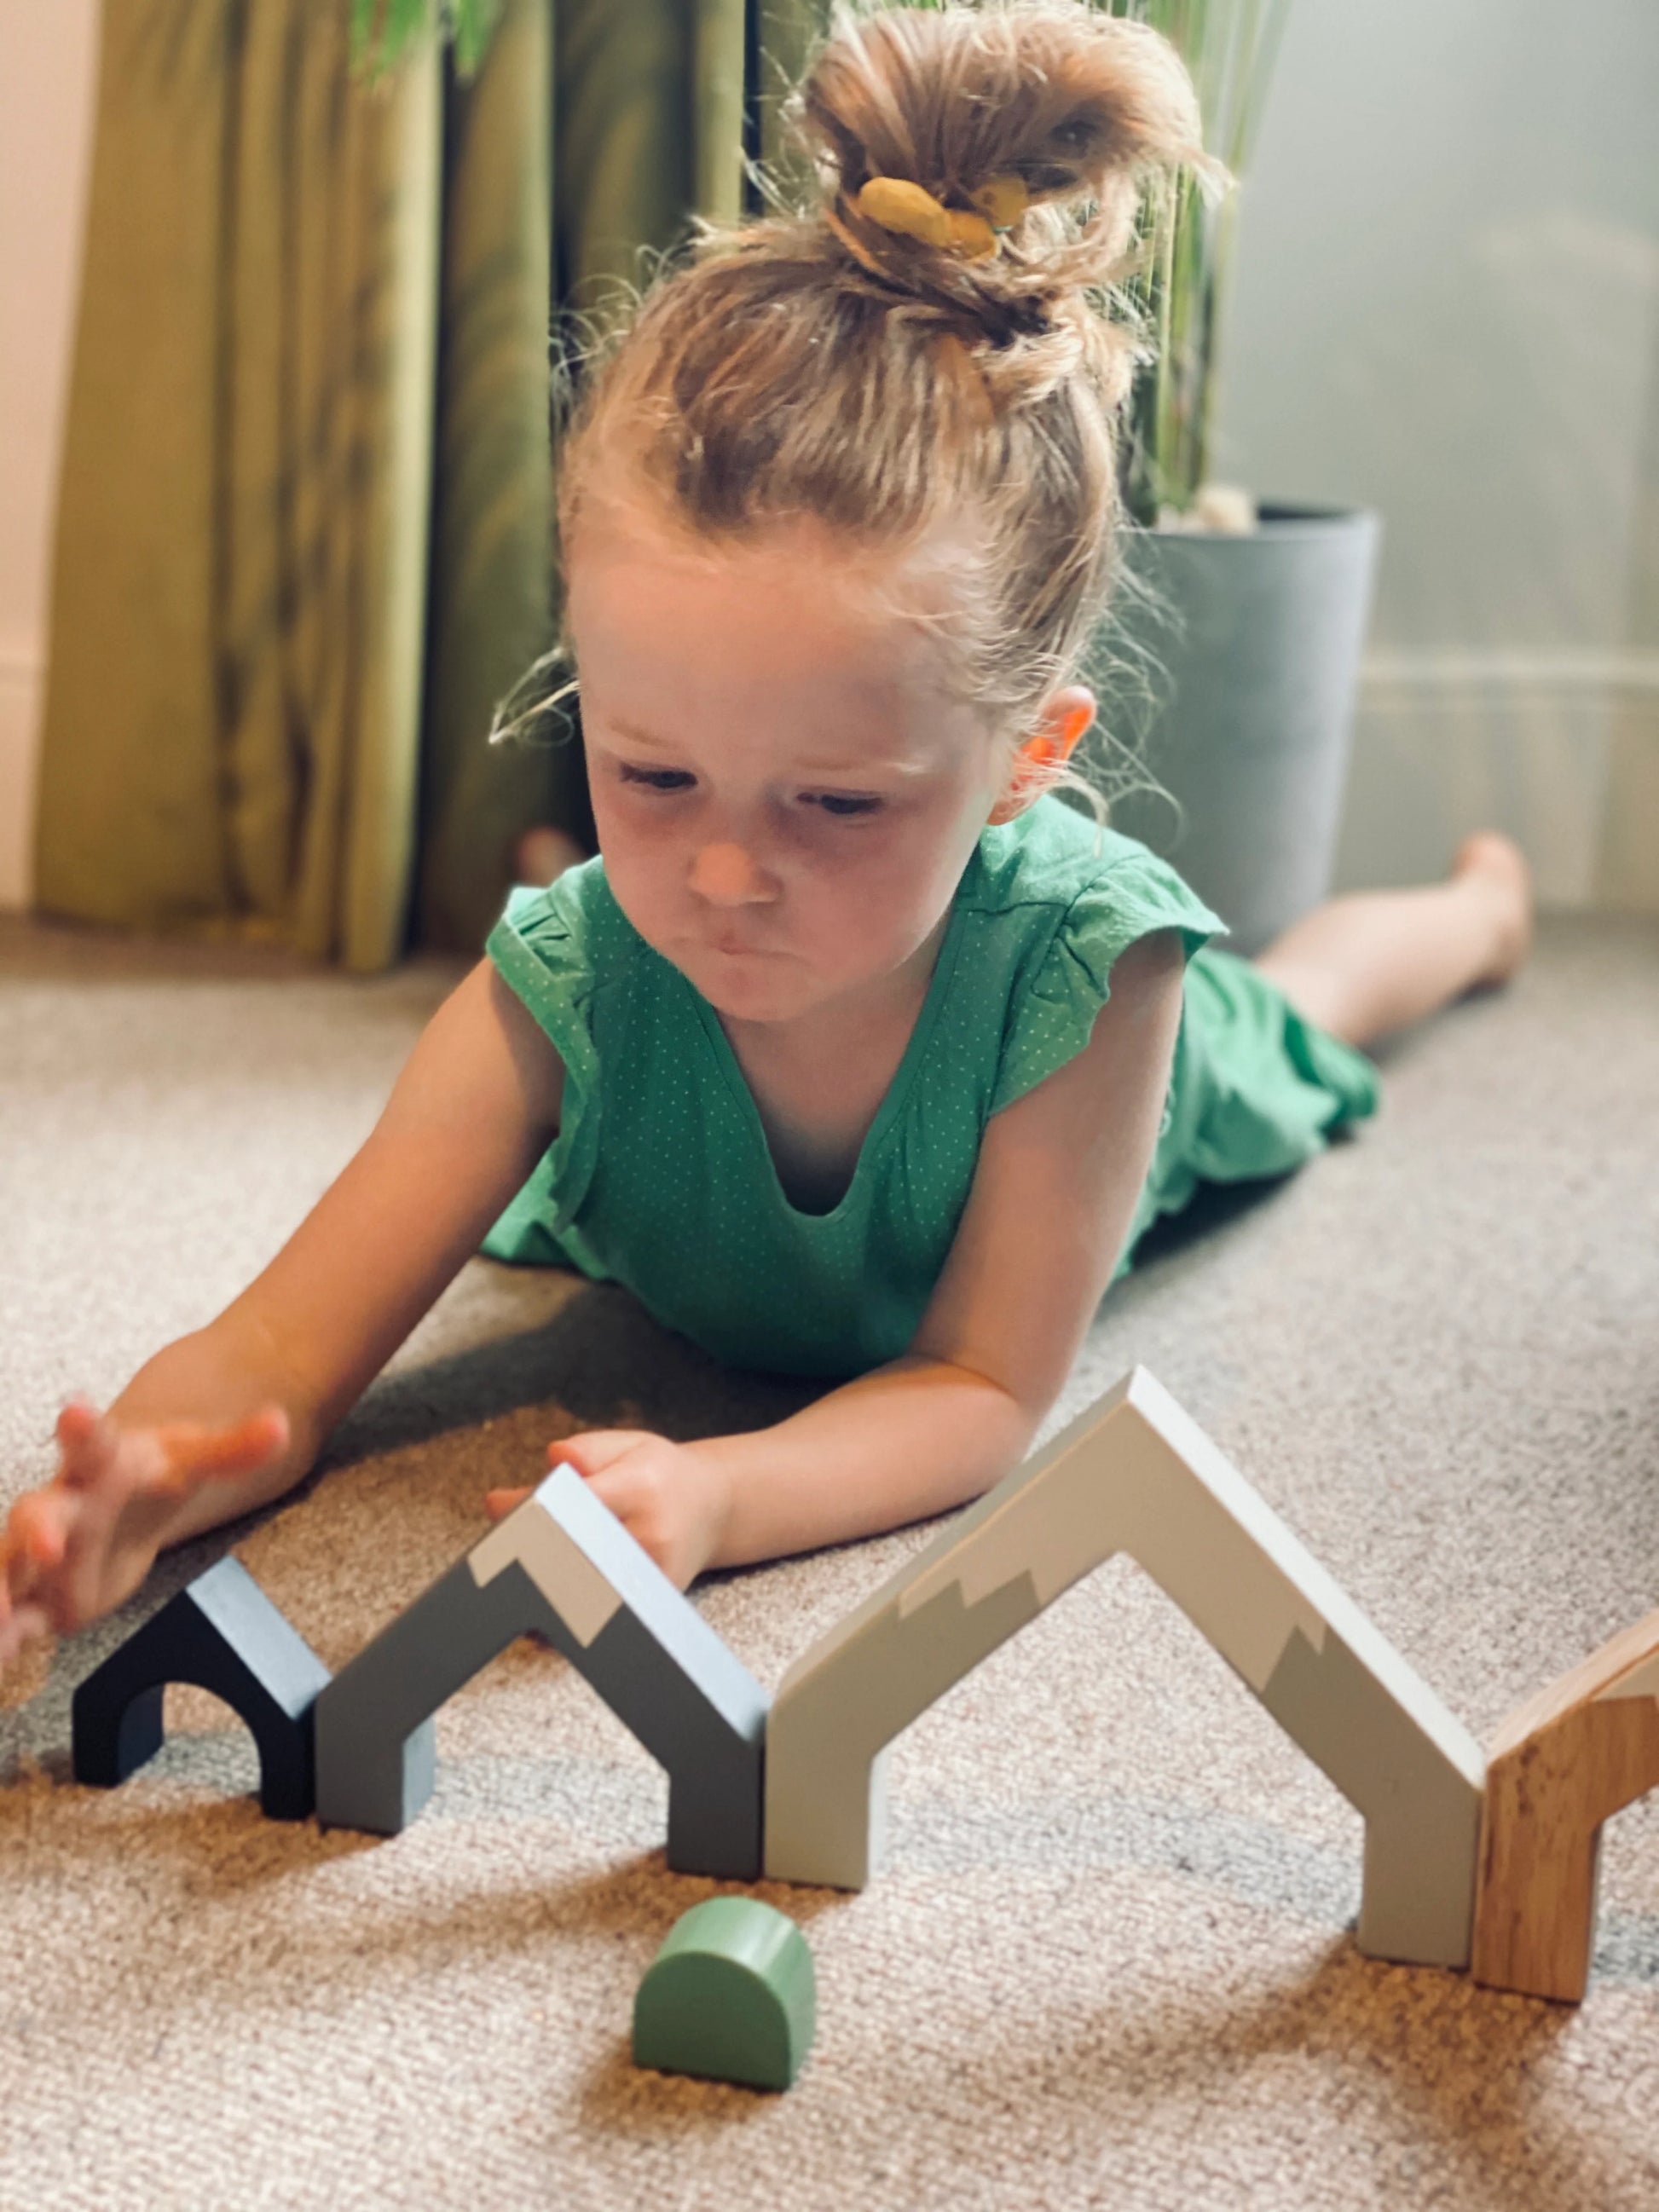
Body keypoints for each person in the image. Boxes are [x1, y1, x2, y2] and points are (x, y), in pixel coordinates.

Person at [0, 0, 1531, 1667]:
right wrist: (147, 1474)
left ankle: (1472, 913)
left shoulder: (1096, 978)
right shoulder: (558, 986)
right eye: (652, 776)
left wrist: (730, 1491)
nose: (725, 873)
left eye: (838, 802)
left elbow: (979, 1382)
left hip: (1131, 1081)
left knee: (1302, 1013)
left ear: (1025, 757)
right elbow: (279, 1350)